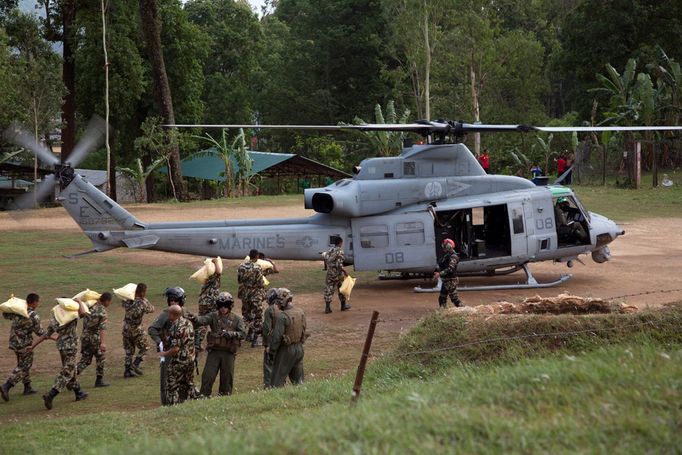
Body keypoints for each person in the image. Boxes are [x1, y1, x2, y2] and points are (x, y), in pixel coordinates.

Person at [32, 298, 89, 410]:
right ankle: (51, 395)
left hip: (61, 347)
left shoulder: (55, 319)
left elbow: (46, 335)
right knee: (67, 371)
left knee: (70, 368)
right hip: (70, 347)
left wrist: (33, 346)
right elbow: (83, 313)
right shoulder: (71, 316)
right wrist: (79, 302)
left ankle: (78, 392)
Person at [190, 292, 245, 397]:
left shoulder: (237, 319)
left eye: (226, 305)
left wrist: (231, 334)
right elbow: (203, 320)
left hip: (228, 353)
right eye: (221, 305)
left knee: (227, 378)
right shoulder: (213, 316)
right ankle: (204, 396)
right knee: (208, 375)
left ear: (230, 306)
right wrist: (195, 318)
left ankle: (225, 397)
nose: (223, 308)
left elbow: (243, 334)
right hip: (214, 352)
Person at [1, 293, 46, 401]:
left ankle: (27, 387)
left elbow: (5, 315)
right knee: (24, 366)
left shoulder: (18, 311)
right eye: (37, 302)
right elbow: (40, 332)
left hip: (14, 343)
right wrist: (51, 336)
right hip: (24, 345)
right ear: (34, 302)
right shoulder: (33, 316)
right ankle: (6, 386)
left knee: (22, 363)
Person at [148, 286, 187, 406]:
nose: (173, 303)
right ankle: (165, 404)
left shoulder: (185, 312)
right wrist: (160, 342)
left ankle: (182, 402)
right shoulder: (166, 314)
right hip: (168, 352)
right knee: (165, 379)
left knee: (183, 378)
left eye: (175, 300)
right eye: (171, 300)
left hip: (183, 352)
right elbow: (152, 329)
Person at [269, 288, 307, 388]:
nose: (276, 305)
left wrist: (272, 352)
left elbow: (276, 338)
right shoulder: (300, 312)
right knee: (299, 381)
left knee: (276, 382)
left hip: (286, 350)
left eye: (277, 302)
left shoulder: (282, 316)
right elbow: (304, 329)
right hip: (299, 348)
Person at [158, 304, 195, 405]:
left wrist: (164, 353)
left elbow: (176, 348)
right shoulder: (188, 323)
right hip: (190, 360)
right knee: (188, 384)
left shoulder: (177, 327)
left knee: (172, 386)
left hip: (178, 362)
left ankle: (173, 406)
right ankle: (190, 403)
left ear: (172, 314)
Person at [76, 292, 112, 387]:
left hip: (85, 337)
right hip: (95, 338)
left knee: (85, 360)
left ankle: (71, 377)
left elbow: (82, 315)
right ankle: (99, 380)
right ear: (107, 301)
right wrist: (103, 343)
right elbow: (102, 328)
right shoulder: (102, 311)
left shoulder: (89, 306)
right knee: (100, 358)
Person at [122, 283, 154, 377]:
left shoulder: (128, 300)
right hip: (136, 329)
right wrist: (145, 300)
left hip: (126, 328)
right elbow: (151, 309)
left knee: (129, 351)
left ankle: (127, 371)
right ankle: (135, 365)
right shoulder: (142, 302)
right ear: (142, 292)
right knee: (145, 347)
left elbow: (123, 303)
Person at [237, 249, 266, 347]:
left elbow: (239, 280)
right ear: (257, 256)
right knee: (257, 316)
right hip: (255, 294)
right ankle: (255, 340)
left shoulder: (241, 266)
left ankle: (246, 335)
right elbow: (260, 283)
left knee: (247, 315)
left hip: (245, 294)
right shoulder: (257, 267)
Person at [196, 259, 222, 353]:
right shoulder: (213, 275)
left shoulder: (205, 276)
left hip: (203, 301)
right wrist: (215, 262)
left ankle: (197, 343)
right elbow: (219, 271)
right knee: (214, 321)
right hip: (211, 302)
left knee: (202, 322)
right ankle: (214, 343)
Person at [323, 237, 350, 314]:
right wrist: (344, 271)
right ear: (340, 243)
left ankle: (327, 308)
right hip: (338, 274)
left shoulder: (330, 250)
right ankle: (343, 306)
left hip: (330, 273)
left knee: (329, 289)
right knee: (342, 288)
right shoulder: (340, 252)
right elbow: (339, 264)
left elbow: (326, 258)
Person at [435, 238, 462, 308]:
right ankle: (444, 312)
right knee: (442, 298)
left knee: (455, 299)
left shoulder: (454, 256)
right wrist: (436, 270)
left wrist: (439, 274)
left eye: (445, 246)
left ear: (448, 246)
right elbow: (440, 264)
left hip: (451, 280)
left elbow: (450, 269)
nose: (443, 247)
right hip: (446, 281)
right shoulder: (446, 256)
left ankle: (464, 310)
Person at [262, 288, 280, 388]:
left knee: (268, 367)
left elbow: (266, 329)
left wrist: (266, 344)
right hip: (281, 342)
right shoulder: (283, 308)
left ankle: (268, 387)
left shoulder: (270, 310)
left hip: (272, 343)